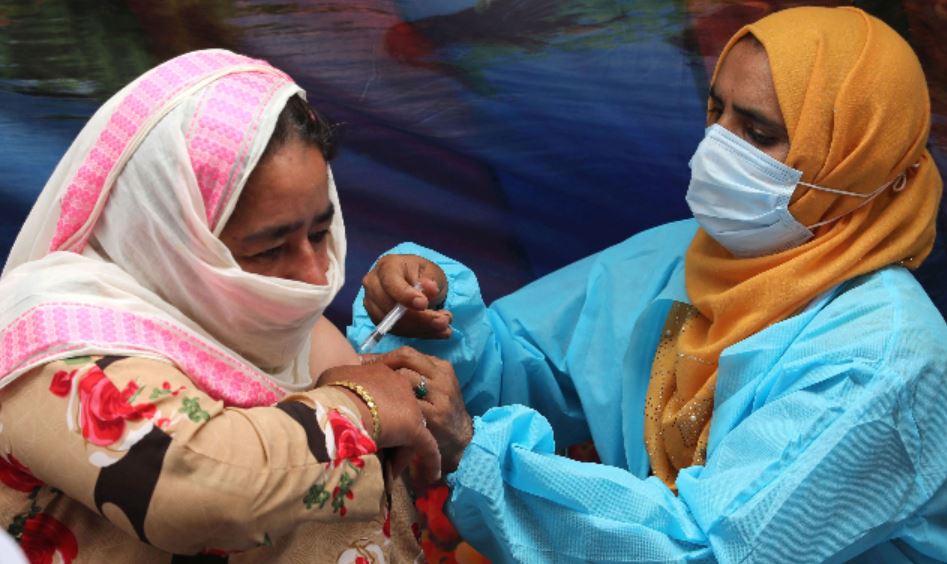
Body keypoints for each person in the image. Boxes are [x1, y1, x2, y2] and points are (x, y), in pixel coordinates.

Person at [352, 6, 947, 562]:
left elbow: (706, 547)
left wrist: (476, 453)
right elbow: (528, 363)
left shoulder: (883, 361)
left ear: (855, 162)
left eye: (759, 133)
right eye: (717, 111)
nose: (719, 146)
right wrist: (431, 314)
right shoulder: (686, 256)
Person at [0, 49, 441, 562]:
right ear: (167, 236)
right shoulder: (51, 341)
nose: (315, 275)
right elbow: (192, 487)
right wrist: (362, 407)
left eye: (321, 233)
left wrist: (417, 400)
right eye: (269, 249)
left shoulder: (283, 329)